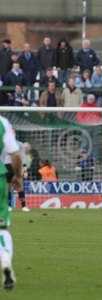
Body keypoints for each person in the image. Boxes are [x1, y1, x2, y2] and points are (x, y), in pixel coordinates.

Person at [0, 114, 23, 290]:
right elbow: (15, 155)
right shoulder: (2, 123)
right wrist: (17, 176)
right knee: (2, 228)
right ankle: (5, 261)